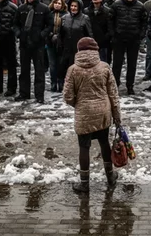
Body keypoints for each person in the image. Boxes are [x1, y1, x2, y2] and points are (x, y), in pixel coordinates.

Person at [63, 37, 121, 193]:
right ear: (96, 50)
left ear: (79, 50)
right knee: (104, 142)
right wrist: (117, 116)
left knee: (84, 147)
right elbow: (113, 94)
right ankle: (110, 176)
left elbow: (67, 96)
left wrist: (78, 104)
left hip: (84, 113)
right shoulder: (104, 67)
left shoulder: (73, 70)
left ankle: (84, 183)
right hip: (103, 112)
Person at [108, 0, 148, 95]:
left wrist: (140, 35)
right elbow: (110, 21)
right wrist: (113, 34)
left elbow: (144, 22)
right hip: (119, 38)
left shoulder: (140, 6)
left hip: (133, 39)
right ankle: (115, 85)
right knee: (117, 64)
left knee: (132, 65)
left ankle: (130, 86)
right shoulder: (116, 5)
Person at [14, 0, 49, 103]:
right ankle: (24, 93)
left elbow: (49, 25)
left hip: (38, 44)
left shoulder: (44, 8)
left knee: (39, 71)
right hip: (24, 43)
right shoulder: (21, 9)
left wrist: (42, 35)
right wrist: (19, 34)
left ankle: (39, 95)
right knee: (24, 70)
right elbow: (15, 24)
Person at [58, 0, 93, 87]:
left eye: (75, 6)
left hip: (79, 50)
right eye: (72, 6)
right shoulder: (65, 17)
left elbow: (89, 35)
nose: (73, 8)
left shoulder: (85, 18)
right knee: (64, 69)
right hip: (66, 49)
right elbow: (61, 34)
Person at [45, 0, 68, 92]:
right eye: (56, 3)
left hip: (61, 43)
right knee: (52, 64)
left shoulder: (66, 15)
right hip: (50, 42)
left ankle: (61, 82)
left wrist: (58, 36)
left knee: (61, 64)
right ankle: (53, 83)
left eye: (59, 3)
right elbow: (45, 26)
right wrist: (50, 35)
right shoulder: (49, 14)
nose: (57, 5)